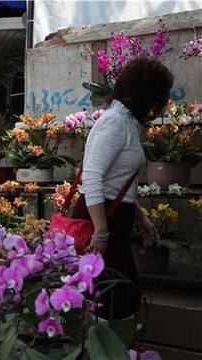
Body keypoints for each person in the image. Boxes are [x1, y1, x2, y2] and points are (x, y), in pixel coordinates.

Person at [73, 57, 172, 320]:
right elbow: (92, 178)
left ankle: (111, 355)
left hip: (113, 218)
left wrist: (142, 218)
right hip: (101, 220)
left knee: (116, 298)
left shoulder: (126, 122)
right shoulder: (115, 122)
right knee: (111, 300)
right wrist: (102, 231)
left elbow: (116, 182)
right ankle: (103, 357)